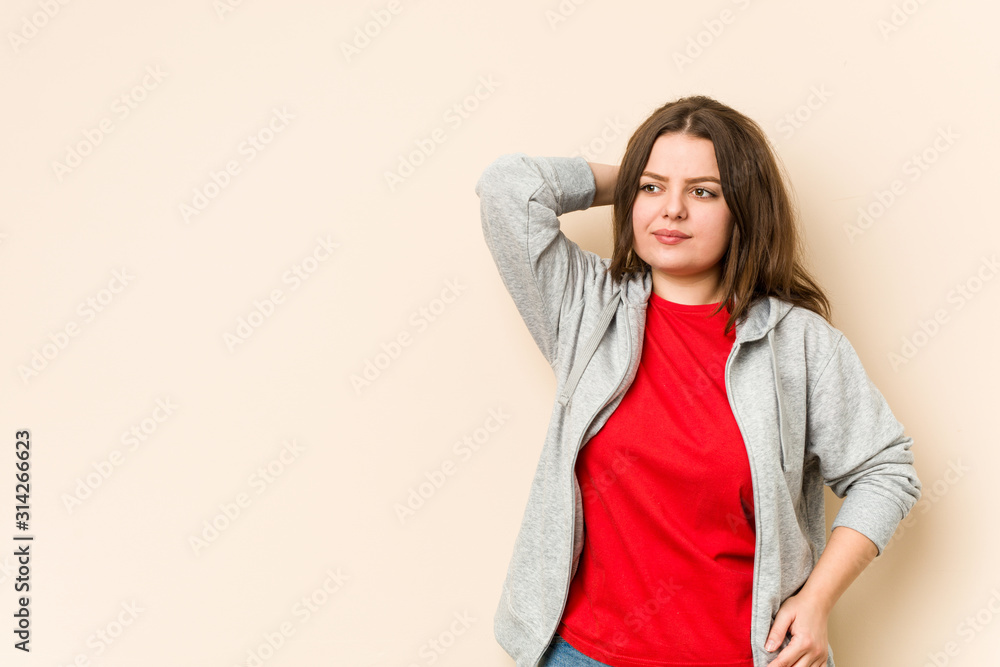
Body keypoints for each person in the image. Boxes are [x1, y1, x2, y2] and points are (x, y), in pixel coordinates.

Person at [474, 95, 922, 667]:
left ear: (745, 207)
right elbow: (509, 187)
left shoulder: (801, 345)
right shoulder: (586, 309)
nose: (672, 212)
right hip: (580, 656)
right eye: (653, 189)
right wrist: (637, 175)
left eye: (704, 192)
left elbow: (886, 471)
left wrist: (816, 601)